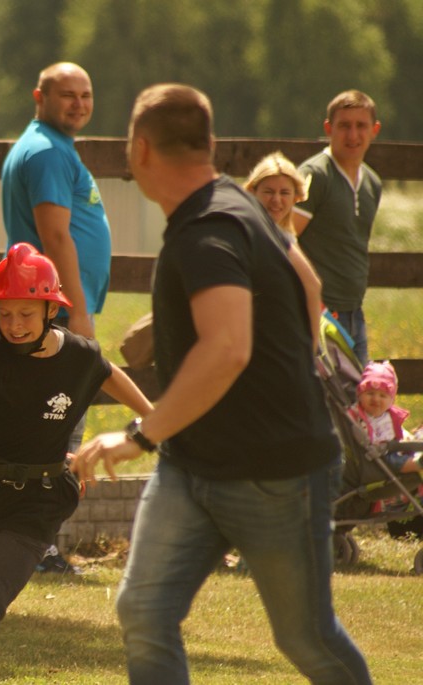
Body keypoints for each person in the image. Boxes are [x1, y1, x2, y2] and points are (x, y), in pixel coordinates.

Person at [75, 83, 372, 684]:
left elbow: (228, 347)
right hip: (194, 466)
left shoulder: (205, 229)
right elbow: (311, 291)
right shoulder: (238, 204)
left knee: (306, 637)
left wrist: (139, 434)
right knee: (145, 609)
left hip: (275, 474)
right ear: (207, 144)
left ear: (139, 149)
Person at [0, 243, 153, 684]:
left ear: (49, 311)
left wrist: (152, 418)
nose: (15, 325)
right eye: (6, 314)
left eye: (26, 314)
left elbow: (110, 375)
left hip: (40, 499)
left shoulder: (79, 355)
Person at [2, 62, 111, 342]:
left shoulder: (49, 146)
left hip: (50, 303)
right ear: (40, 97)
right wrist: (76, 312)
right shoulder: (48, 153)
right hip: (53, 306)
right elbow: (55, 236)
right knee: (60, 387)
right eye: (67, 95)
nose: (79, 104)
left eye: (85, 96)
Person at [293, 90, 382, 366]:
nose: (352, 135)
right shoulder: (315, 175)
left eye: (361, 126)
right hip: (317, 314)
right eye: (344, 126)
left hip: (354, 311)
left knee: (359, 402)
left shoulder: (372, 182)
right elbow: (284, 240)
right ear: (328, 128)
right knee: (323, 402)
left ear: (374, 130)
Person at [349, 361, 423, 475]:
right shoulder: (356, 414)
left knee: (414, 442)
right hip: (377, 457)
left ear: (391, 401)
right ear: (360, 394)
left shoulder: (389, 415)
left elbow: (400, 433)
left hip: (396, 447)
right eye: (370, 393)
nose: (376, 399)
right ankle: (418, 463)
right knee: (394, 461)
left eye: (382, 395)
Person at [243, 151, 307, 235]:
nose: (276, 199)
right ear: (252, 193)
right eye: (269, 192)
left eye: (284, 193)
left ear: (295, 197)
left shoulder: (287, 238)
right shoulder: (243, 233)